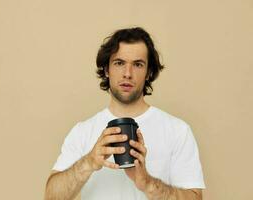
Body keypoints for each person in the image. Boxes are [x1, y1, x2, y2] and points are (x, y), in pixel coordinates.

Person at [45, 27, 205, 200]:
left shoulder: (178, 130)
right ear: (107, 69)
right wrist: (89, 162)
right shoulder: (82, 131)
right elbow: (51, 196)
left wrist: (148, 183)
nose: (127, 74)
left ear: (148, 72)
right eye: (119, 63)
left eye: (137, 64)